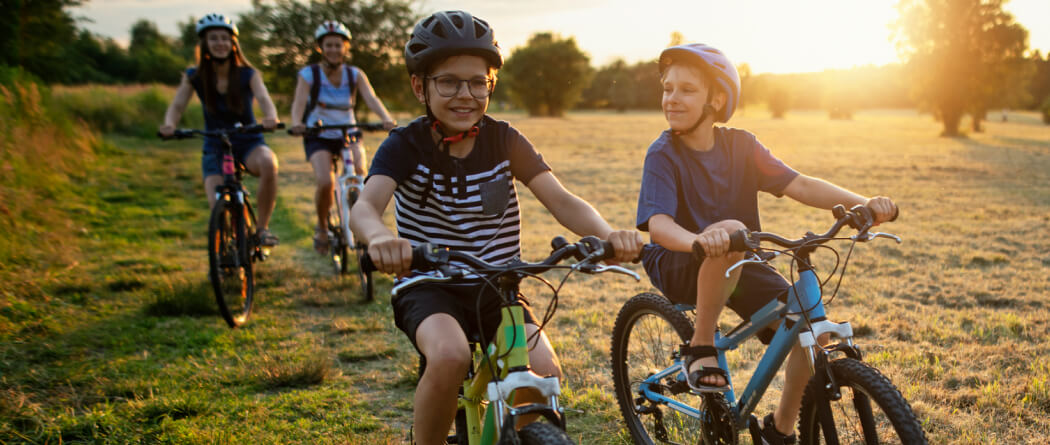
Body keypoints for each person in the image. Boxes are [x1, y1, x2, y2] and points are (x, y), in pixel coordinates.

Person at [349, 11, 644, 444]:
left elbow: (560, 199)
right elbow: (364, 209)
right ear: (420, 86)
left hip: (498, 283)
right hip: (429, 282)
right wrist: (379, 239)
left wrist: (606, 234)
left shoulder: (504, 139)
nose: (464, 94)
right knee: (448, 356)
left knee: (545, 372)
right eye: (448, 82)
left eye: (477, 82)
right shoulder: (404, 144)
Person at [635, 43, 898, 445]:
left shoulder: (741, 146)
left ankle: (780, 430)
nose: (671, 98)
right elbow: (659, 227)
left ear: (716, 100)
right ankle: (700, 345)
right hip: (678, 260)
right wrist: (699, 242)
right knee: (733, 231)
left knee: (812, 332)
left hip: (737, 260)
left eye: (686, 89)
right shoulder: (663, 154)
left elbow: (801, 184)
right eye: (668, 88)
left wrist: (865, 204)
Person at [160, 13, 281, 247]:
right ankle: (221, 258)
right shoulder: (194, 76)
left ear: (233, 43)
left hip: (248, 141)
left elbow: (264, 98)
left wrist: (271, 117)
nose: (220, 43)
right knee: (218, 205)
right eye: (214, 39)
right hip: (215, 144)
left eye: (225, 39)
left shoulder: (249, 74)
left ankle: (261, 229)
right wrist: (169, 125)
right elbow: (177, 105)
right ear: (205, 44)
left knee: (269, 163)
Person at [289, 20, 397, 254]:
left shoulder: (354, 74)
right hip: (319, 134)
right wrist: (297, 123)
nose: (334, 50)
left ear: (346, 48)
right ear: (321, 48)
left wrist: (386, 118)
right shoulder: (309, 74)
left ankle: (364, 223)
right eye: (329, 45)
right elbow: (298, 103)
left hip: (348, 131)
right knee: (326, 181)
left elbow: (371, 98)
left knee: (361, 174)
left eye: (338, 45)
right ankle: (321, 227)